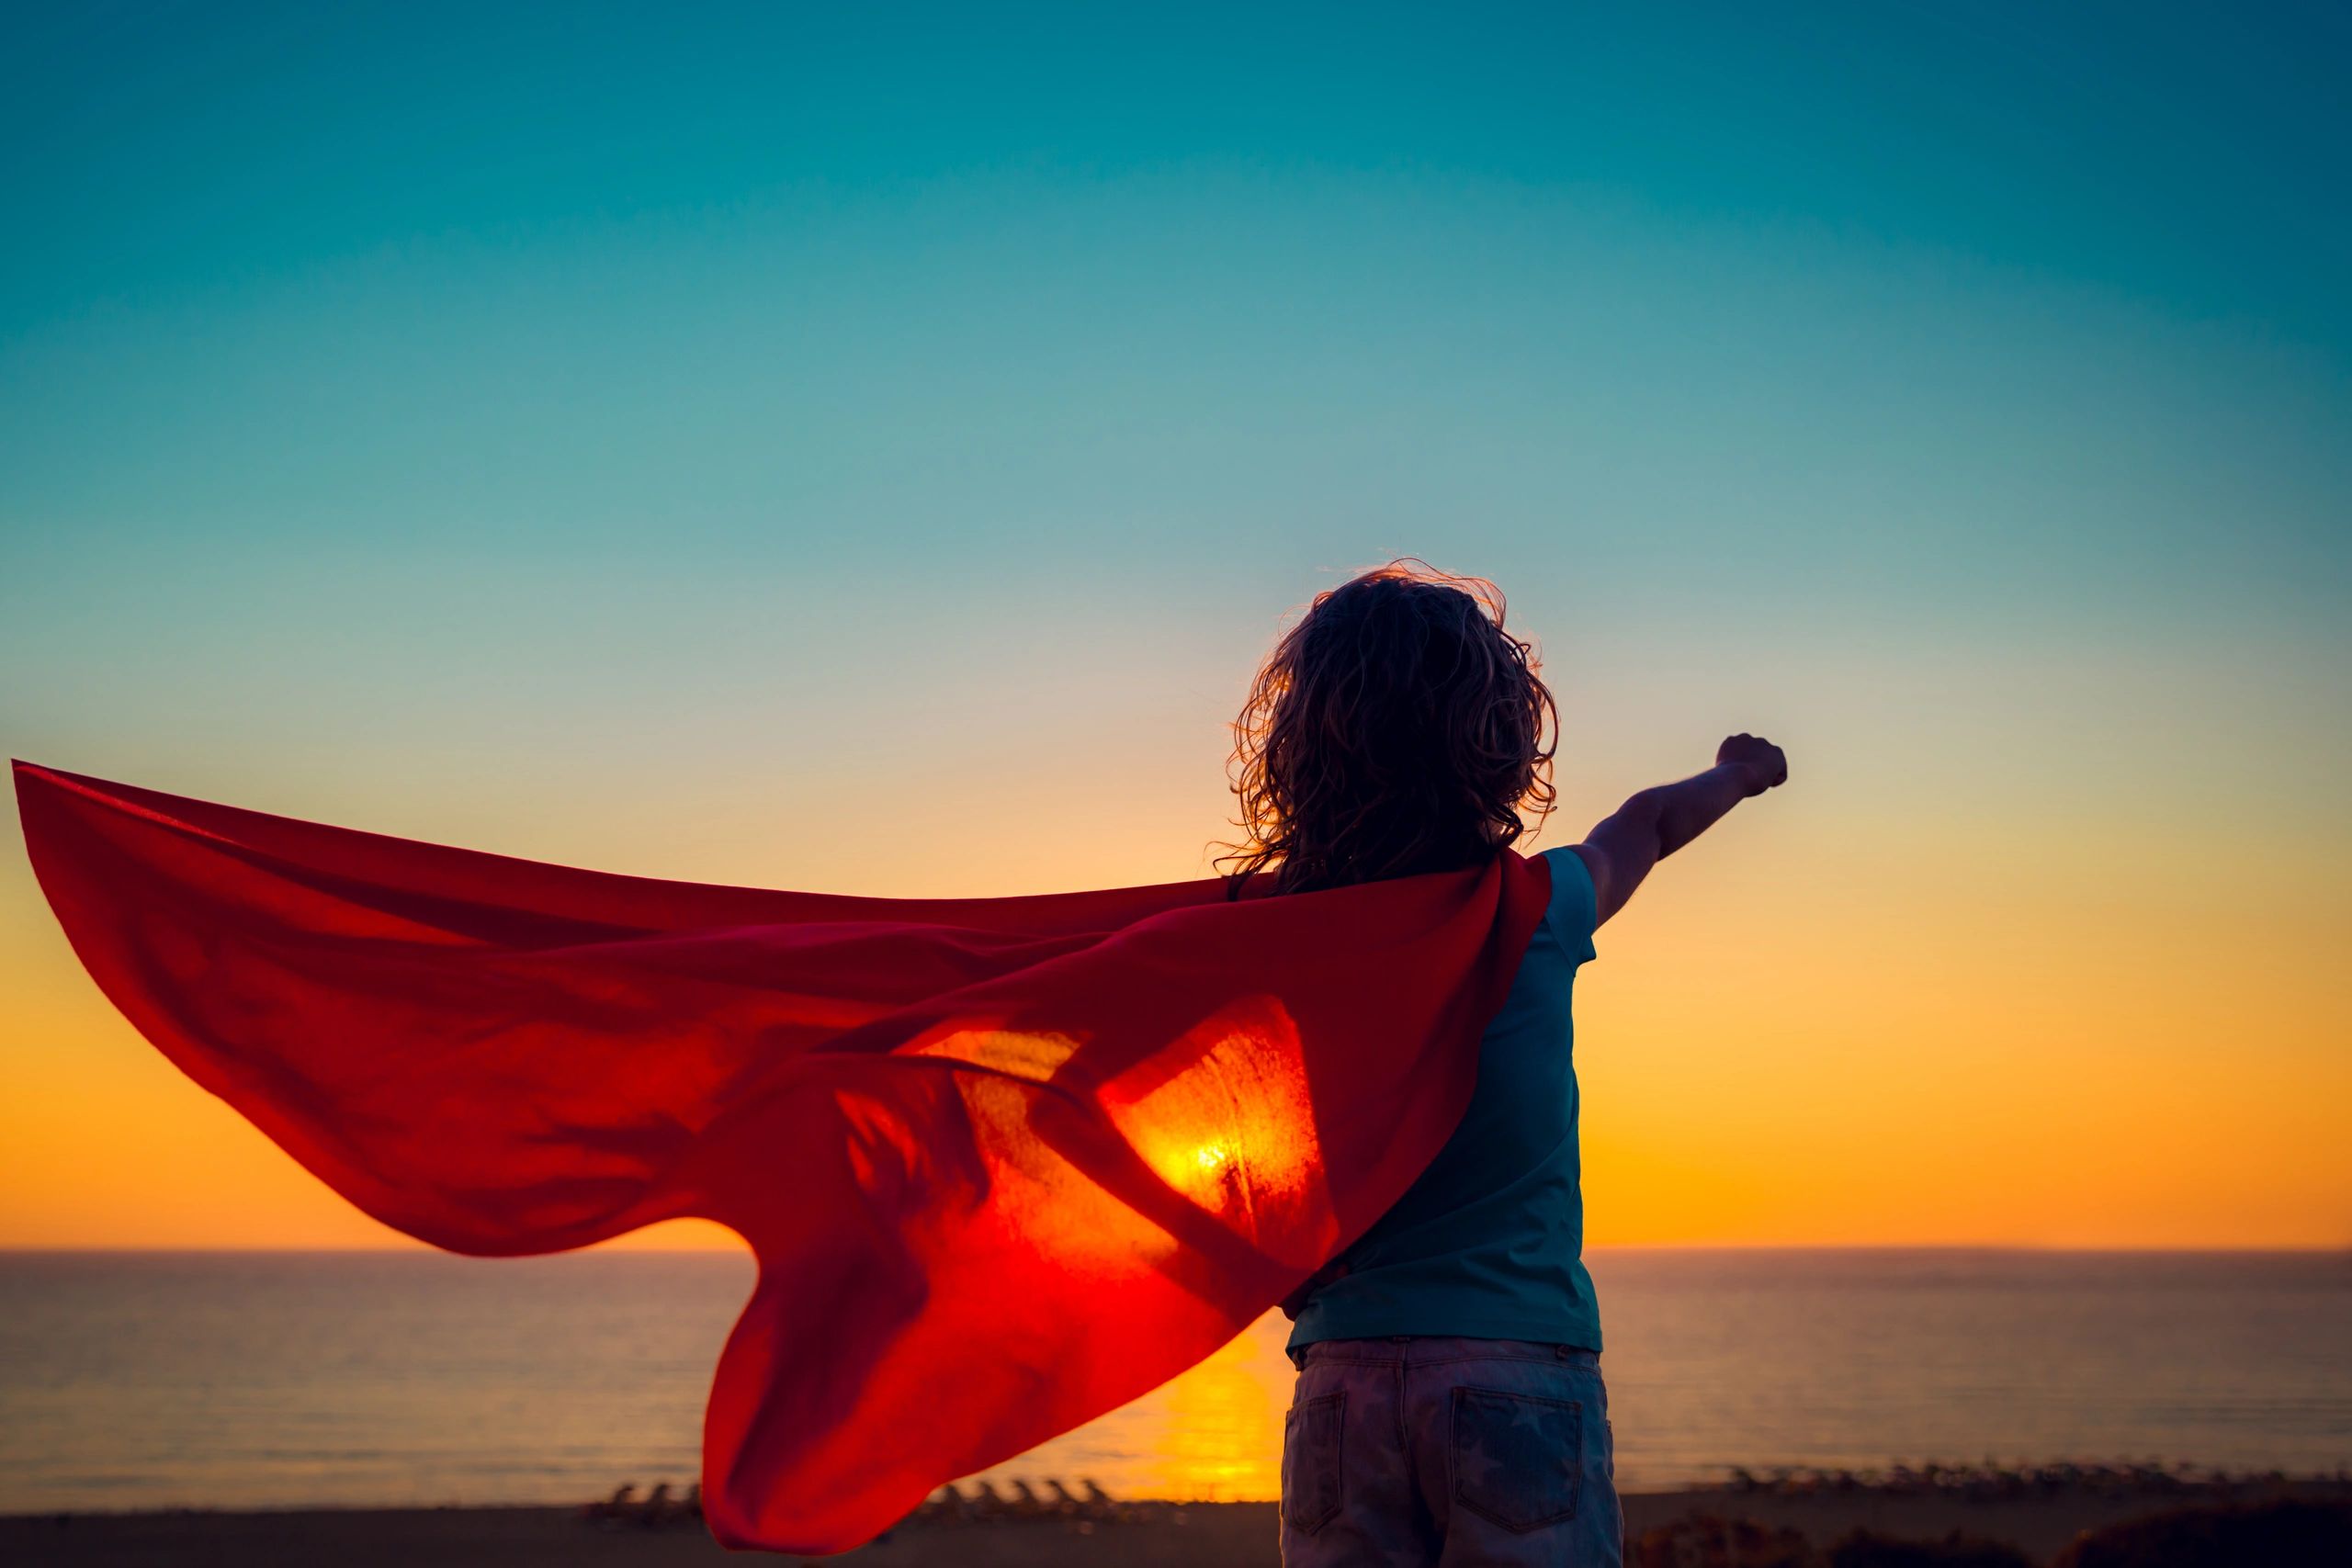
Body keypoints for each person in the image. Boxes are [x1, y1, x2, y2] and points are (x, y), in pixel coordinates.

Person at [1229, 560, 1790, 1567]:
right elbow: (1645, 828)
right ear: (1497, 741)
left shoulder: (1278, 940)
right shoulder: (1531, 907)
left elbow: (1242, 1149)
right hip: (1514, 1370)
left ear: (1299, 752)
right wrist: (1734, 776)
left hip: (1342, 1375)